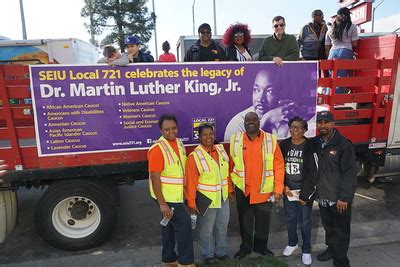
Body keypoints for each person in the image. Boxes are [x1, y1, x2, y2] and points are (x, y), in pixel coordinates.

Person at [299, 111, 357, 267]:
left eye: (326, 122)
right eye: (320, 122)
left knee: (341, 231)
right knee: (329, 227)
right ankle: (331, 250)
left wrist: (344, 198)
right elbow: (310, 170)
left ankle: (341, 261)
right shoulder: (315, 143)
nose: (322, 125)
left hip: (339, 199)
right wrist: (305, 194)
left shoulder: (343, 144)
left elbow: (350, 173)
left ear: (333, 124)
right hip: (323, 197)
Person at [230, 111, 285, 259]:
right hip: (244, 190)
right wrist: (230, 188)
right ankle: (245, 248)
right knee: (244, 222)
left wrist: (278, 189)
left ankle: (261, 248)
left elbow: (279, 166)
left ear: (259, 123)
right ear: (244, 123)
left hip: (264, 191)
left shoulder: (270, 140)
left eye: (254, 119)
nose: (251, 122)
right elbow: (231, 165)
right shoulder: (236, 140)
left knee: (263, 223)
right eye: (248, 120)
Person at [147, 114, 194, 267]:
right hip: (167, 198)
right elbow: (155, 177)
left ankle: (169, 260)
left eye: (173, 128)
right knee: (184, 225)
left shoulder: (179, 143)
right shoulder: (157, 149)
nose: (171, 132)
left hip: (175, 195)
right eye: (167, 129)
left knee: (168, 226)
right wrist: (162, 204)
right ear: (161, 131)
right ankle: (186, 262)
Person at [185, 123, 234, 265]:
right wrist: (191, 203)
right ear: (199, 137)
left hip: (223, 197)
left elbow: (227, 174)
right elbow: (191, 183)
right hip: (207, 200)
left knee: (222, 226)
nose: (208, 137)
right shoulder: (195, 156)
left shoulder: (220, 150)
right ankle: (208, 255)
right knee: (207, 229)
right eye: (205, 134)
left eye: (210, 134)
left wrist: (230, 190)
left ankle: (221, 252)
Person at [224, 68, 312, 141]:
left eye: (269, 91)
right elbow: (243, 153)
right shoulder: (238, 123)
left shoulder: (288, 116)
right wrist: (266, 120)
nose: (260, 99)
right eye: (256, 90)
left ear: (279, 94)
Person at [279, 117, 313, 265]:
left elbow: (314, 171)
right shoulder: (284, 144)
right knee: (290, 218)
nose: (294, 130)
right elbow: (279, 167)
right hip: (289, 188)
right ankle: (293, 243)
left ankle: (306, 250)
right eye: (292, 127)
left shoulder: (310, 146)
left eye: (298, 127)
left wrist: (305, 192)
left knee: (305, 221)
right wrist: (283, 185)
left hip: (304, 187)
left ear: (305, 130)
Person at [325, 7, 359, 93]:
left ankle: (328, 99)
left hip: (332, 52)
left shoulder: (331, 29)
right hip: (346, 51)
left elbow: (327, 45)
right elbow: (355, 44)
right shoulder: (352, 27)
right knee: (340, 79)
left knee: (332, 78)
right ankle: (336, 102)